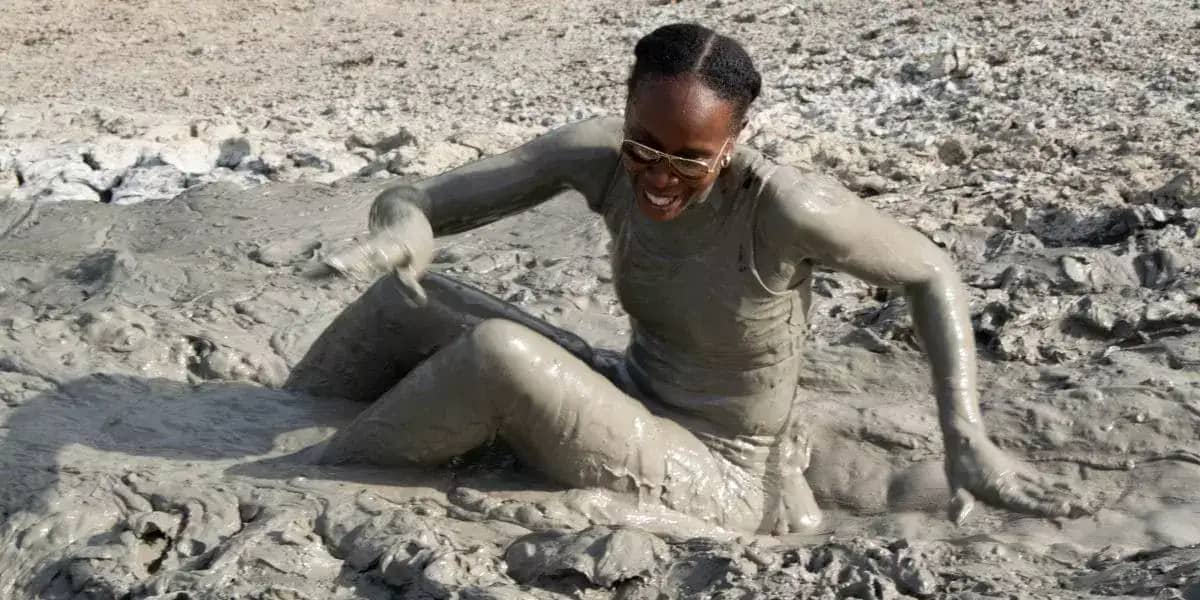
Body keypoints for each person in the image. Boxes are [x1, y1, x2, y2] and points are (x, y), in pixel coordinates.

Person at [287, 22, 1089, 534]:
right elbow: (417, 199)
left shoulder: (787, 208)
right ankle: (270, 419)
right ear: (626, 112)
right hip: (633, 393)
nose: (658, 178)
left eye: (689, 161)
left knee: (497, 353)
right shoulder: (599, 157)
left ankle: (309, 481)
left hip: (728, 474)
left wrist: (966, 436)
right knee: (405, 296)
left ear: (734, 142)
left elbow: (931, 270)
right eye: (644, 145)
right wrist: (401, 230)